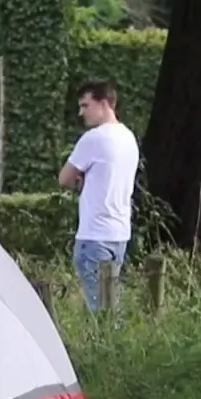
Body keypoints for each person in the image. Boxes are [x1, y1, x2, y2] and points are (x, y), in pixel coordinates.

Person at [58, 80, 139, 311]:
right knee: (112, 301)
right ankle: (115, 343)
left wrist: (80, 182)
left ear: (104, 103)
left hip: (94, 234)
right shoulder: (128, 137)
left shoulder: (94, 138)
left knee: (99, 307)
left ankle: (105, 345)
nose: (81, 112)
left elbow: (64, 178)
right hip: (120, 232)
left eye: (86, 105)